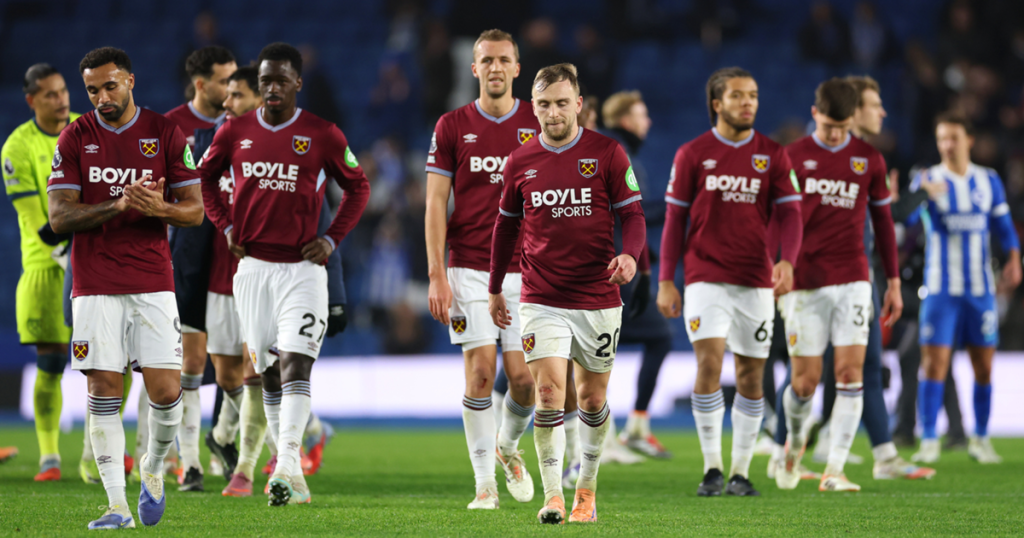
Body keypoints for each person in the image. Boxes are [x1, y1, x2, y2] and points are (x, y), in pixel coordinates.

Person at [199, 42, 370, 506]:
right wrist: (226, 225)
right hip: (252, 271)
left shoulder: (323, 134)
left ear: (297, 82)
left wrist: (331, 239)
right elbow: (205, 179)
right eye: (265, 81)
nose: (272, 88)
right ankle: (293, 477)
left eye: (281, 80)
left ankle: (286, 465)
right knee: (267, 373)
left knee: (296, 363)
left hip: (302, 271)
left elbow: (358, 187)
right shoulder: (234, 132)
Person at [47, 47, 204, 529]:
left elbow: (195, 210)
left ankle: (153, 468)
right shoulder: (76, 136)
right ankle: (117, 505)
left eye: (110, 86)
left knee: (167, 391)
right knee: (103, 388)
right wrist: (114, 207)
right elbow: (59, 216)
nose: (102, 97)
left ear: (130, 81)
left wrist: (159, 209)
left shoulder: (165, 132)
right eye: (92, 90)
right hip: (94, 283)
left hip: (152, 280)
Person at [489, 63, 646, 524]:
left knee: (592, 400)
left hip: (598, 297)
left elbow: (633, 215)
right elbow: (505, 228)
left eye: (561, 103)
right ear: (533, 107)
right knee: (549, 393)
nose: (553, 112)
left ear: (578, 104)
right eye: (544, 104)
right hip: (541, 295)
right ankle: (554, 497)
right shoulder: (520, 161)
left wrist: (630, 255)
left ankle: (587, 492)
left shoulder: (607, 152)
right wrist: (495, 287)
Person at [770, 75, 937, 483]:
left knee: (852, 373)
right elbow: (775, 218)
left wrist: (893, 282)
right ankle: (789, 447)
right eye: (828, 126)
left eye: (841, 128)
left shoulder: (869, 159)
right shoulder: (791, 156)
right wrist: (776, 264)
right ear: (815, 114)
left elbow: (884, 224)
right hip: (806, 281)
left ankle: (836, 470)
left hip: (855, 279)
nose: (834, 135)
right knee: (805, 381)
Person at [657, 67, 802, 497]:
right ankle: (712, 468)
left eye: (752, 95)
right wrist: (666, 280)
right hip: (706, 277)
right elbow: (675, 219)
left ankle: (740, 471)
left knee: (751, 376)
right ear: (717, 104)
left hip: (755, 281)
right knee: (709, 363)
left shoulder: (773, 154)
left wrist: (788, 261)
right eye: (738, 95)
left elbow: (792, 214)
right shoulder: (692, 153)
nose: (748, 102)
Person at [424, 29, 540, 509]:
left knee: (525, 382)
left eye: (504, 60)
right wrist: (436, 273)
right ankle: (484, 485)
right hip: (470, 266)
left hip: (528, 271)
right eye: (487, 60)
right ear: (474, 69)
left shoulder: (538, 121)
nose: (495, 67)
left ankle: (507, 447)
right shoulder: (452, 126)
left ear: (517, 69)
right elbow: (435, 202)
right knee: (479, 375)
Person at [910, 113, 1021, 464]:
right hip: (940, 288)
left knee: (983, 366)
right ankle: (929, 438)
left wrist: (1014, 258)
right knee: (934, 364)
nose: (947, 145)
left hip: (980, 289)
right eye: (942, 138)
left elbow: (1003, 226)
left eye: (953, 138)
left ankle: (981, 438)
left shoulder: (988, 180)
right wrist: (920, 194)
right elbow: (905, 218)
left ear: (969, 140)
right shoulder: (928, 179)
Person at [163, 45, 237, 491]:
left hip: (235, 259)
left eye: (236, 81)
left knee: (240, 368)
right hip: (189, 256)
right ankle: (188, 463)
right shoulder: (170, 127)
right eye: (225, 80)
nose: (231, 89)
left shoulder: (245, 128)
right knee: (189, 362)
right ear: (201, 84)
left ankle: (226, 442)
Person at [1, 63, 79, 482]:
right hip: (46, 269)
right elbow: (38, 222)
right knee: (50, 361)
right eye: (50, 94)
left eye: (63, 90)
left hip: (94, 262)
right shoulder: (17, 147)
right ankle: (50, 457)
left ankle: (98, 453)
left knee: (115, 362)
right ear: (32, 100)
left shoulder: (87, 129)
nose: (61, 99)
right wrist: (66, 252)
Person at [599, 91, 674, 459]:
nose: (648, 123)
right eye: (642, 115)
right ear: (626, 120)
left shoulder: (615, 150)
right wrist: (680, 206)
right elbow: (633, 213)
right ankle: (617, 432)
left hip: (618, 265)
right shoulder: (618, 152)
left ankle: (617, 431)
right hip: (615, 269)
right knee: (652, 338)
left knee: (600, 349)